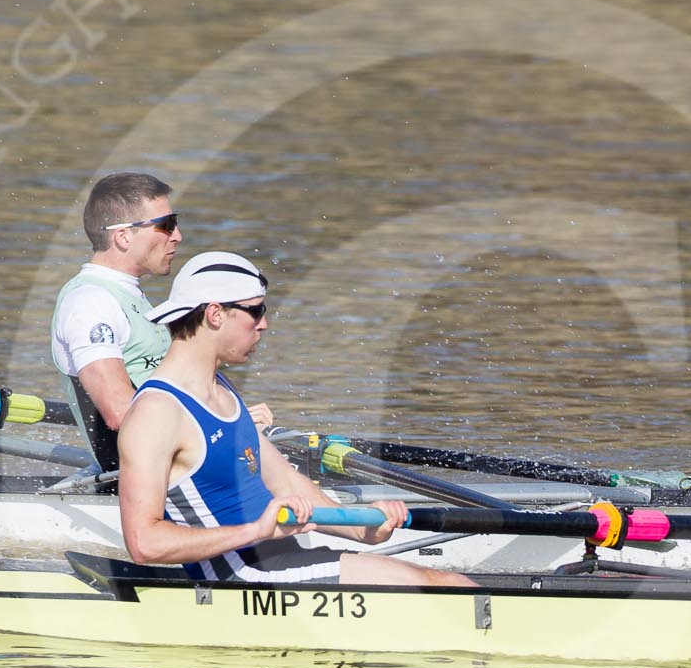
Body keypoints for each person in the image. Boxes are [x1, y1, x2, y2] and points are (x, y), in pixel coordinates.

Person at [118, 252, 475, 588]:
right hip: (242, 577)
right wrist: (257, 530)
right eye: (256, 311)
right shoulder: (157, 412)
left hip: (282, 559)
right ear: (215, 314)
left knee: (450, 583)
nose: (265, 324)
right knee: (447, 586)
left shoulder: (220, 388)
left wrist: (362, 528)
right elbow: (144, 542)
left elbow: (285, 481)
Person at [51, 172, 268, 471]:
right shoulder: (90, 302)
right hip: (144, 477)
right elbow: (120, 412)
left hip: (182, 459)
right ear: (123, 236)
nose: (177, 235)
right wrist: (222, 425)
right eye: (166, 225)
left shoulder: (126, 295)